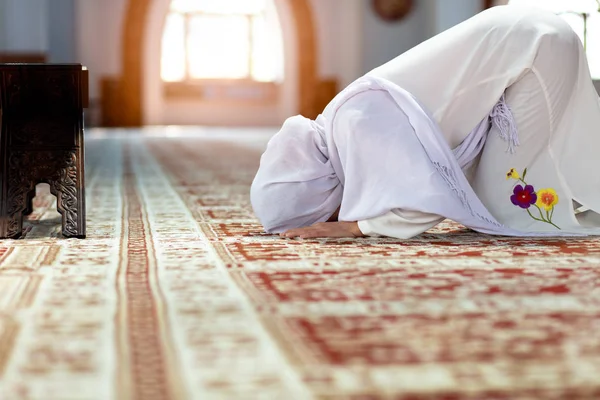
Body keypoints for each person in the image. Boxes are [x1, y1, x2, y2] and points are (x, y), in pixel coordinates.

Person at [250, 5, 600, 240]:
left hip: (537, 48)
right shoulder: (342, 121)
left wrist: (355, 227)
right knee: (495, 190)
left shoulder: (357, 127)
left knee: (507, 208)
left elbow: (424, 201)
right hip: (531, 33)